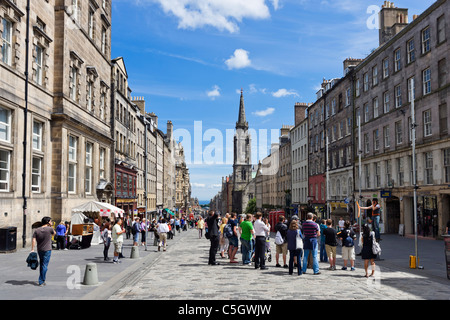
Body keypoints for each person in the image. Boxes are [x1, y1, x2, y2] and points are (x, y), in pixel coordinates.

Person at [31, 217, 55, 286]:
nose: (51, 222)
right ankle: (41, 280)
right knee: (45, 265)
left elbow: (33, 240)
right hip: (47, 250)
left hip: (40, 249)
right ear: (48, 222)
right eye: (50, 221)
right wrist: (51, 226)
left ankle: (42, 280)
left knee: (42, 264)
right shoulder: (50, 229)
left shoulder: (37, 230)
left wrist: (32, 249)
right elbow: (54, 234)